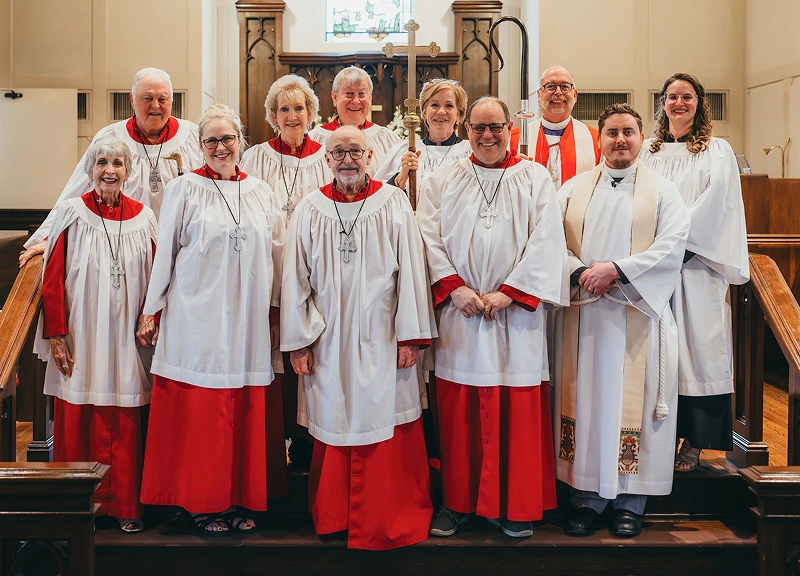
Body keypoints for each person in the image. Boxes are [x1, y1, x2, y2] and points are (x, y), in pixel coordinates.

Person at [416, 96, 569, 539]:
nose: (487, 136)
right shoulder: (442, 179)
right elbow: (426, 236)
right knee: (460, 414)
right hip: (460, 315)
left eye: (495, 127)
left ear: (509, 128)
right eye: (479, 128)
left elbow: (547, 241)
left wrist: (509, 294)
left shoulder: (535, 177)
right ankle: (458, 503)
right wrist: (454, 288)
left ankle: (513, 505)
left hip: (514, 319)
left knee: (515, 413)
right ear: (467, 129)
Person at [281, 125, 437, 550]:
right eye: (338, 152)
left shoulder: (394, 203)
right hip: (327, 338)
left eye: (355, 151)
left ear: (370, 157)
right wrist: (298, 342)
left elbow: (412, 273)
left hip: (385, 336)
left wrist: (411, 337)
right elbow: (295, 282)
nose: (347, 159)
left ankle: (387, 517)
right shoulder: (309, 209)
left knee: (385, 416)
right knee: (335, 416)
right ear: (326, 159)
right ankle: (336, 517)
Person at [139, 104, 287, 536]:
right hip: (196, 316)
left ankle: (240, 497)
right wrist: (153, 307)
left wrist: (276, 311)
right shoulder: (184, 188)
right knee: (203, 413)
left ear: (241, 141)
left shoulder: (260, 191)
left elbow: (277, 255)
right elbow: (164, 251)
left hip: (248, 318)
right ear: (200, 146)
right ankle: (203, 503)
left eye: (228, 139)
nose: (221, 147)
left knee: (241, 409)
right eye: (211, 141)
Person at [555, 103, 689, 538]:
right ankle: (587, 499)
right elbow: (548, 241)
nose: (620, 140)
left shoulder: (665, 192)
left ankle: (631, 502)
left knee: (634, 406)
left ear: (640, 137)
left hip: (639, 318)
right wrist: (579, 272)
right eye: (611, 132)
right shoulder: (573, 189)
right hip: (586, 322)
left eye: (628, 132)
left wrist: (615, 271)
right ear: (600, 138)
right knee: (588, 404)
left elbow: (672, 245)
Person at [35, 136, 157, 533]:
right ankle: (77, 509)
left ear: (128, 171)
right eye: (101, 162)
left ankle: (125, 507)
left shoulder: (145, 217)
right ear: (90, 171)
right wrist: (56, 334)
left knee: (124, 418)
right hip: (81, 334)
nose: (109, 170)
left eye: (117, 163)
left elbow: (157, 277)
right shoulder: (72, 214)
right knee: (79, 416)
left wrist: (150, 316)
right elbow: (51, 279)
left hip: (126, 337)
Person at [639, 73, 749, 472]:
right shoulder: (647, 151)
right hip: (653, 267)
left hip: (695, 266)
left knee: (698, 351)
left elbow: (715, 202)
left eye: (687, 96)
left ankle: (695, 444)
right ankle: (656, 437)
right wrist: (656, 249)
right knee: (657, 351)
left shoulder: (717, 151)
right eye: (672, 97)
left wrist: (673, 243)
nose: (679, 103)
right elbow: (640, 201)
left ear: (700, 103)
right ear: (663, 103)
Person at [20, 67, 204, 267]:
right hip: (124, 251)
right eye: (147, 98)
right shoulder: (109, 138)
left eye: (163, 99)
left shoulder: (193, 137)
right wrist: (48, 237)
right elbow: (77, 190)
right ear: (132, 100)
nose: (156, 106)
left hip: (180, 250)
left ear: (172, 100)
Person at [240, 74, 330, 467]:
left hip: (315, 269)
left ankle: (310, 444)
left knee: (310, 353)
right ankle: (273, 451)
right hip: (267, 270)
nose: (292, 116)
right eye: (284, 109)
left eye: (299, 108)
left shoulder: (329, 154)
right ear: (272, 116)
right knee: (271, 356)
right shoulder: (255, 156)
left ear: (311, 113)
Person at [510, 66, 600, 189]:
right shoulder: (515, 139)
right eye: (550, 86)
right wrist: (511, 172)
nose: (558, 92)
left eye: (565, 86)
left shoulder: (596, 140)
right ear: (539, 95)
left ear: (575, 95)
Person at [374, 78, 471, 189]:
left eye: (449, 106)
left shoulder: (470, 153)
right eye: (435, 105)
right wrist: (402, 176)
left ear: (459, 114)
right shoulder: (405, 151)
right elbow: (382, 197)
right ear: (424, 112)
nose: (441, 111)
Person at [309, 66, 401, 176]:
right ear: (334, 97)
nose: (356, 101)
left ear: (370, 97)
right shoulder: (314, 139)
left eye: (362, 93)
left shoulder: (388, 140)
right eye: (349, 93)